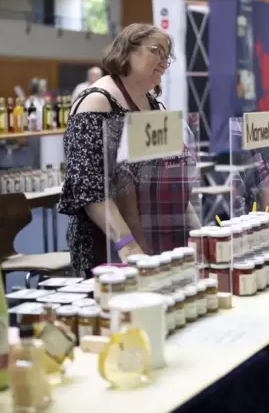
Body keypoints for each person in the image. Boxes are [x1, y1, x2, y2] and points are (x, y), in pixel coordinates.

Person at [57, 23, 200, 275]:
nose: (164, 61)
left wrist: (196, 232)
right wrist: (127, 244)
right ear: (126, 51)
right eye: (156, 51)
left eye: (167, 56)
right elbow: (89, 188)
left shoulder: (153, 104)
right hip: (110, 246)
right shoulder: (97, 102)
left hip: (158, 239)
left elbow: (171, 175)